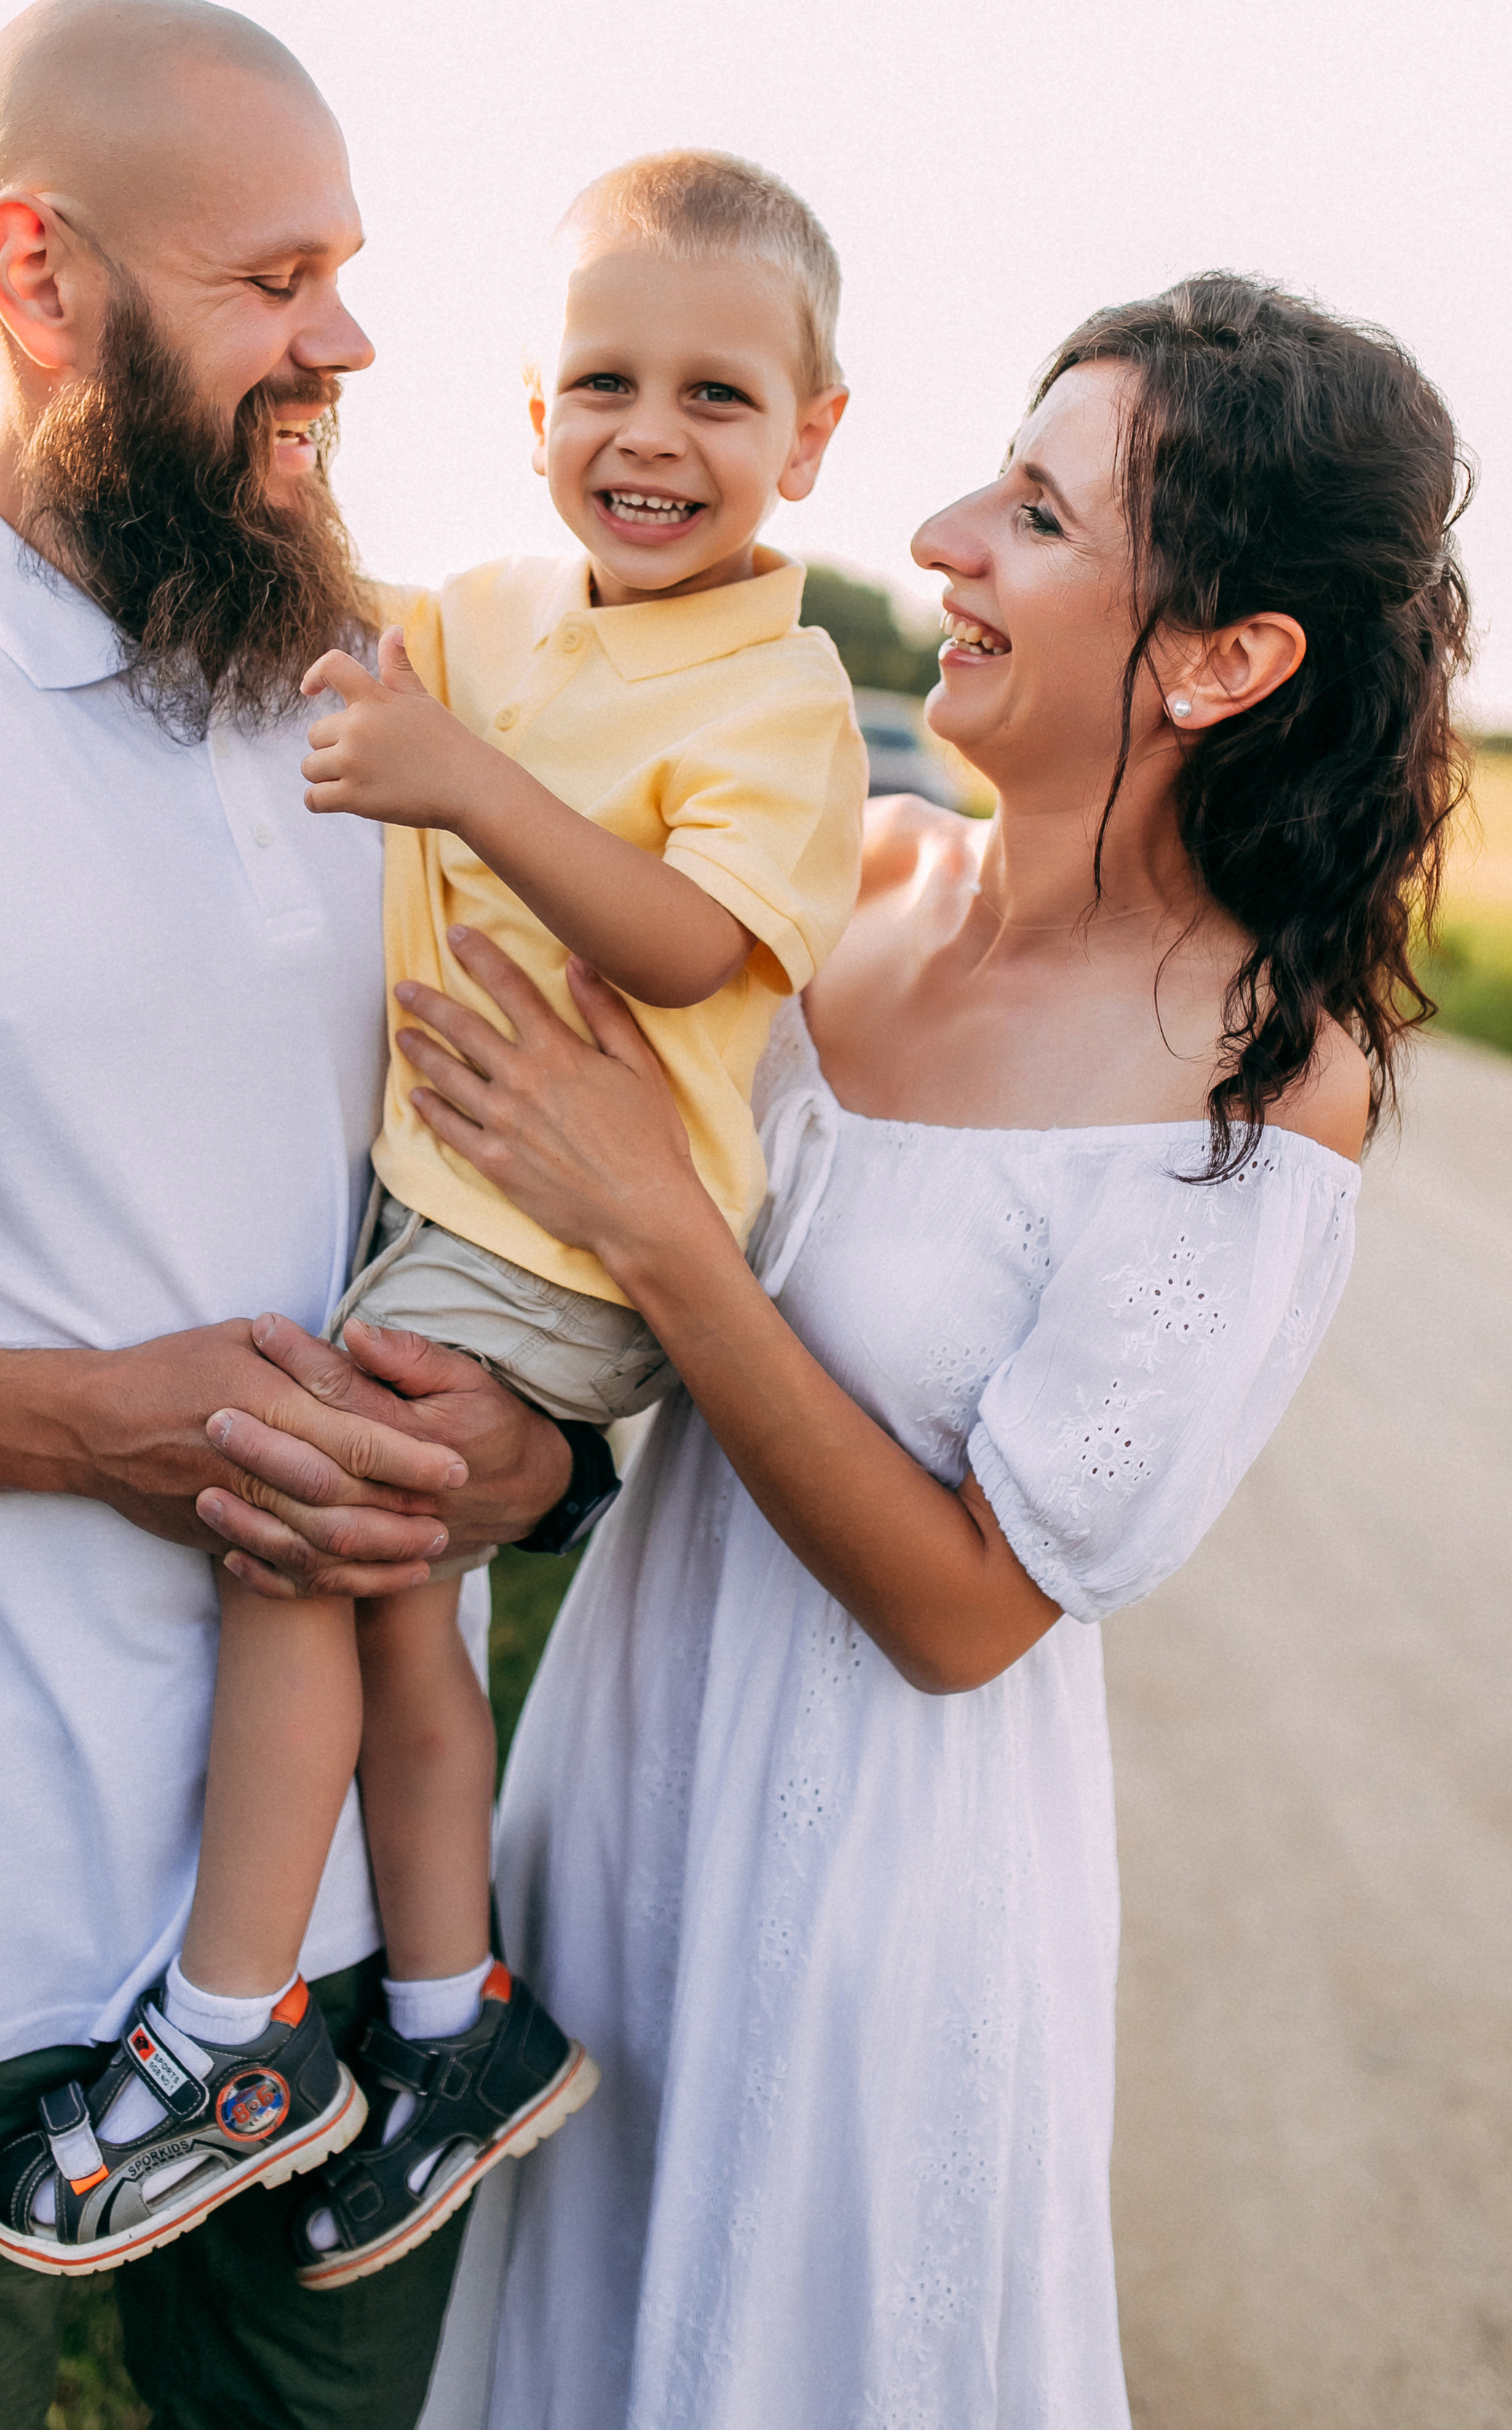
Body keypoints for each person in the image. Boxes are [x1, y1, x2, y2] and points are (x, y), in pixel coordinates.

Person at [350, 275, 1472, 2426]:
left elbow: (970, 1614)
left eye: (1039, 519)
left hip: (865, 1897)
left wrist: (667, 1240)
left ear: (1231, 660)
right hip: (604, 1799)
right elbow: (617, 1310)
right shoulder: (848, 880)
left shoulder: (1260, 1080)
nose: (945, 537)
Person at [0, 0, 595, 2430]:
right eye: (274, 279)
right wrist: (91, 1425)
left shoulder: (393, 708)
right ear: (39, 275)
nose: (349, 336)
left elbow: (577, 1173)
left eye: (347, 268)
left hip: (383, 1957)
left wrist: (547, 1452)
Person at [0, 147, 868, 2288]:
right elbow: (312, 603)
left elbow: (682, 947)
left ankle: (228, 2033)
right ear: (536, 406)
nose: (651, 436)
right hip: (441, 1204)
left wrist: (472, 787)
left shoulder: (786, 695)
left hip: (566, 1231)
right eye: (604, 382)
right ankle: (459, 2027)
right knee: (396, 1603)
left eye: (722, 400)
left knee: (293, 1527)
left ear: (815, 436)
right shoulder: (492, 618)